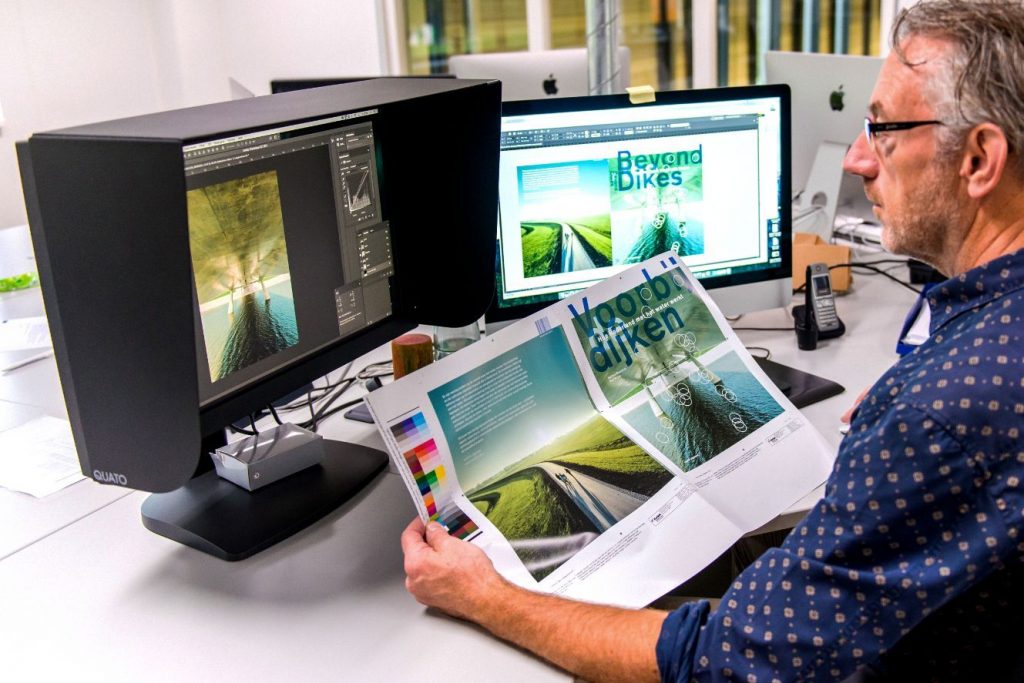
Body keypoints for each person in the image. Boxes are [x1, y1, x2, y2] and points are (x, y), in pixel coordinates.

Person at [400, 2, 1024, 680]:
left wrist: (487, 594)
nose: (856, 158)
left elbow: (715, 660)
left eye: (884, 129)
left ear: (979, 159)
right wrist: (936, 381)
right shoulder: (985, 355)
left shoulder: (947, 408)